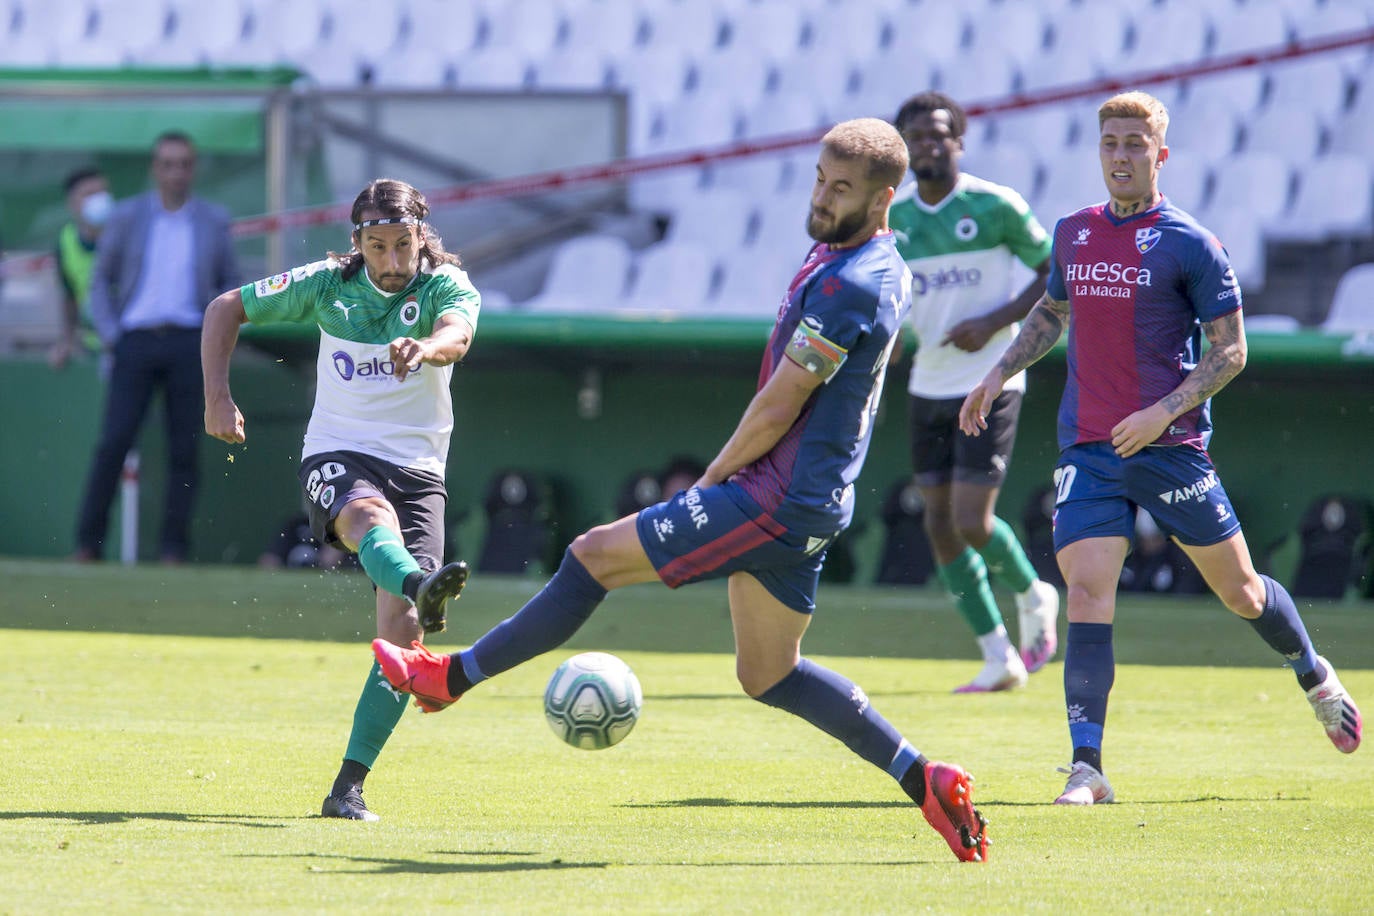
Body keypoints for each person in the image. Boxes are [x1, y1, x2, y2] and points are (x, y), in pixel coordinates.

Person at [372, 119, 990, 863]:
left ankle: (451, 677)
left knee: (592, 556)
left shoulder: (853, 284)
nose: (823, 198)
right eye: (820, 180)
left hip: (775, 494)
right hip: (813, 499)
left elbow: (778, 405)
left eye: (842, 189)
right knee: (770, 673)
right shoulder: (859, 256)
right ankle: (927, 779)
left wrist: (711, 481)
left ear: (885, 197)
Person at [958, 91, 1363, 806]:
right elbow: (1052, 311)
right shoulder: (1073, 233)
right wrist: (998, 371)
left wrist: (1161, 412)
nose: (1120, 155)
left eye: (1134, 144)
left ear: (1160, 154)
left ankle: (1312, 671)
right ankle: (1087, 767)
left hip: (1169, 446)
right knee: (1086, 591)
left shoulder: (1191, 244)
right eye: (1110, 143)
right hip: (1088, 446)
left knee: (1240, 593)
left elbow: (1230, 352)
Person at [202, 178, 478, 822]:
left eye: (402, 245)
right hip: (338, 451)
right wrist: (217, 395)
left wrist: (427, 348)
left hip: (419, 467)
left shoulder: (444, 284)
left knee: (404, 643)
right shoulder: (328, 282)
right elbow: (224, 308)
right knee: (367, 520)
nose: (390, 261)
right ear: (357, 241)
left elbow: (457, 334)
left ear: (421, 238)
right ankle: (418, 581)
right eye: (376, 246)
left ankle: (346, 788)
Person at [889, 91, 1060, 693]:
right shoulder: (897, 219)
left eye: (940, 133)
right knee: (938, 526)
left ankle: (1033, 591)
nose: (929, 144)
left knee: (970, 520)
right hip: (927, 383)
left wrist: (992, 322)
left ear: (959, 140)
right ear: (904, 148)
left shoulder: (996, 205)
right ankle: (998, 657)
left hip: (990, 379)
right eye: (917, 136)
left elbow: (1052, 271)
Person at [75, 132, 239, 563]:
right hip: (136, 341)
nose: (176, 172)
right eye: (167, 164)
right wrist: (113, 335)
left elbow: (230, 286)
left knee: (185, 449)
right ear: (155, 169)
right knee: (114, 442)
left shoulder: (213, 220)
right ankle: (88, 545)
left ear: (193, 168)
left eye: (183, 163)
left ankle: (173, 549)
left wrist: (216, 338)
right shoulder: (127, 217)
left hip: (191, 341)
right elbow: (99, 282)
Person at [49, 167, 114, 370]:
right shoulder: (65, 241)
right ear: (73, 204)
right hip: (92, 345)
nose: (99, 200)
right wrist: (66, 340)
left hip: (128, 345)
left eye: (102, 193)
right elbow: (69, 295)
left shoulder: (125, 235)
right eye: (89, 195)